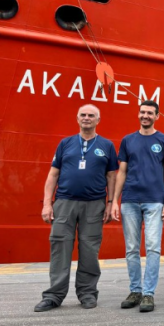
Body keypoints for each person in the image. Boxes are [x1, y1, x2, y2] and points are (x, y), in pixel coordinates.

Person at [34, 104, 118, 312]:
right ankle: (54, 295)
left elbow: (112, 176)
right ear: (77, 118)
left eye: (91, 115)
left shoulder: (107, 145)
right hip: (64, 202)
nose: (87, 118)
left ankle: (87, 293)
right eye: (83, 115)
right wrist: (47, 203)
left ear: (98, 120)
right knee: (60, 246)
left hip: (95, 204)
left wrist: (110, 203)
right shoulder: (66, 143)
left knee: (89, 249)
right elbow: (53, 174)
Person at [111, 100, 164, 313]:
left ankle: (148, 294)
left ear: (157, 116)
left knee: (153, 248)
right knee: (131, 249)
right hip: (129, 200)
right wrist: (114, 201)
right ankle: (135, 290)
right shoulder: (128, 140)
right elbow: (122, 171)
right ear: (138, 115)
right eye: (142, 112)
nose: (145, 115)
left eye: (149, 113)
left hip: (154, 201)